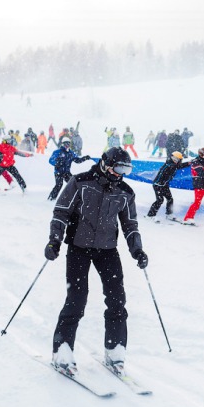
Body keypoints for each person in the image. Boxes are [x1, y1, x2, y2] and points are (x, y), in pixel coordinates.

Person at [45, 149, 147, 375]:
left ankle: (115, 350)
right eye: (119, 168)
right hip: (78, 248)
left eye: (126, 170)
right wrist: (54, 241)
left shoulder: (125, 192)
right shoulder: (81, 182)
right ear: (105, 164)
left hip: (107, 250)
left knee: (117, 300)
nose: (122, 174)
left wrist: (137, 249)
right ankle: (62, 350)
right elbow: (61, 212)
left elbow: (130, 225)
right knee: (76, 299)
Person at [147, 151, 190, 220]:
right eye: (179, 160)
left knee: (170, 199)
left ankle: (169, 214)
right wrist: (159, 183)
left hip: (164, 185)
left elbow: (178, 166)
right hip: (158, 185)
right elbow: (161, 174)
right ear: (175, 159)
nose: (180, 162)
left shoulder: (173, 165)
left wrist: (188, 163)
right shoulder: (168, 165)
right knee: (160, 200)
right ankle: (150, 215)